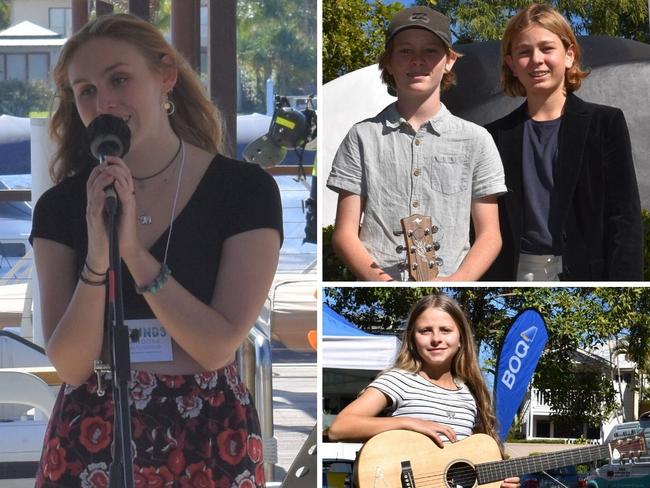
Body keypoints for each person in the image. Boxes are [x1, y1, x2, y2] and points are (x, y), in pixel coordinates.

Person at [30, 14, 282, 487]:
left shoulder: (243, 191)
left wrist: (134, 254)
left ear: (166, 77)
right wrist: (98, 259)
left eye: (119, 79)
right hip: (91, 431)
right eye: (85, 90)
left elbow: (214, 347)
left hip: (209, 431)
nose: (103, 102)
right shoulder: (62, 207)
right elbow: (69, 364)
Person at [326, 6, 507, 282]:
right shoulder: (361, 137)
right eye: (405, 51)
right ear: (388, 61)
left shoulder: (477, 140)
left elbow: (490, 235)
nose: (417, 61)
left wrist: (454, 282)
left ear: (449, 61)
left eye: (431, 51)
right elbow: (344, 233)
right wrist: (386, 283)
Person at [483, 3, 643, 281]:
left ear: (569, 55)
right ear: (511, 64)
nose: (536, 59)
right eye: (524, 52)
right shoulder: (494, 136)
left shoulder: (604, 124)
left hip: (589, 274)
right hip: (518, 271)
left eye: (547, 48)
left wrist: (624, 283)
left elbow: (624, 219)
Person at [328, 293, 519, 488]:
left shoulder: (470, 394)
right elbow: (338, 428)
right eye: (425, 331)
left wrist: (498, 484)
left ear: (461, 338)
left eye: (445, 330)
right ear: (412, 338)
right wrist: (409, 423)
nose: (436, 339)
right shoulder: (399, 380)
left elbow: (459, 472)